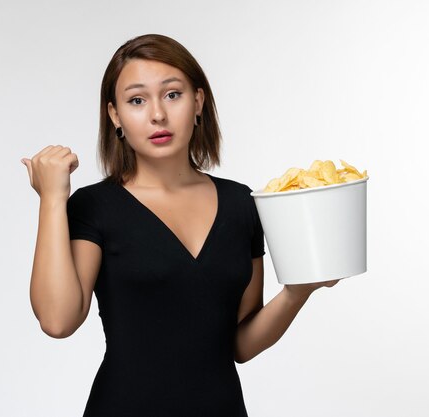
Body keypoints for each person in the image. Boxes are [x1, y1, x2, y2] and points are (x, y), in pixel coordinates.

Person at [21, 34, 338, 417]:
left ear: (198, 102)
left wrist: (297, 291)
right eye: (137, 100)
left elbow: (240, 343)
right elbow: (58, 321)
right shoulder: (94, 207)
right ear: (115, 115)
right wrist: (53, 200)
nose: (157, 114)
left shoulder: (242, 204)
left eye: (172, 94)